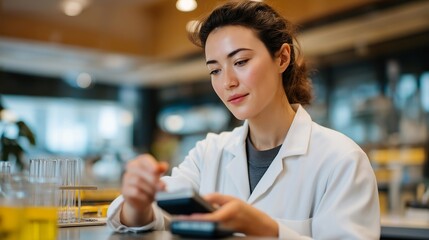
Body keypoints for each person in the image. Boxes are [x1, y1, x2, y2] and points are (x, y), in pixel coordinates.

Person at [107, 1, 380, 239]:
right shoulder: (210, 153)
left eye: (240, 62)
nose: (227, 82)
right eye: (215, 70)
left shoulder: (341, 159)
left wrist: (269, 230)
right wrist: (138, 201)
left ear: (282, 58)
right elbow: (145, 215)